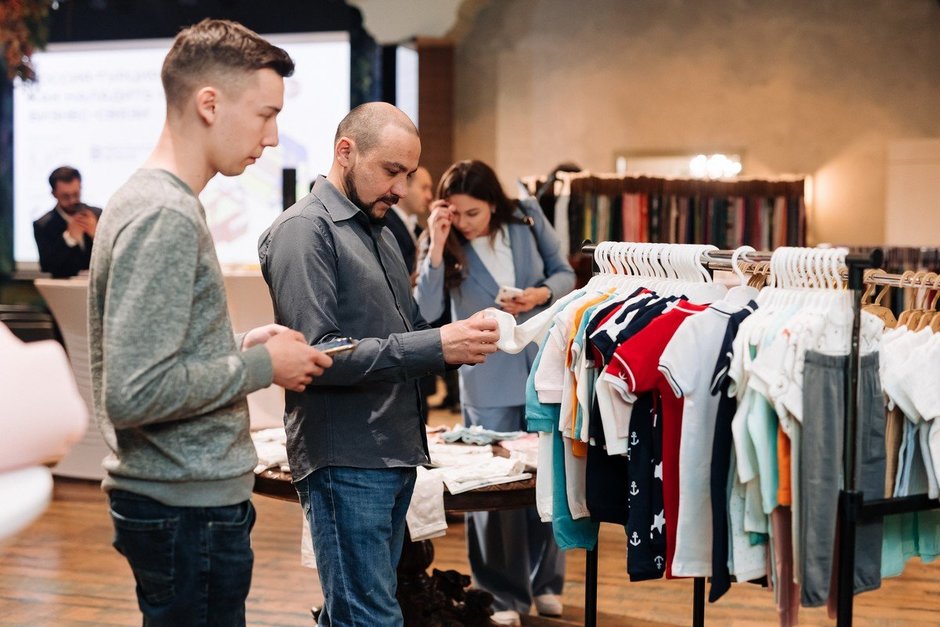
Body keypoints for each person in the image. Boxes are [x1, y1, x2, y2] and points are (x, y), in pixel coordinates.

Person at [87, 19, 333, 625]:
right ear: (209, 104)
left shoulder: (153, 200)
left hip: (182, 499)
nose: (272, 138)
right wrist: (262, 365)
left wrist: (242, 343)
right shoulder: (164, 214)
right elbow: (135, 391)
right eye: (265, 115)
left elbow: (159, 354)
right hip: (184, 505)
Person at [258, 102, 501, 626]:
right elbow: (317, 354)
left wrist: (464, 335)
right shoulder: (304, 231)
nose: (401, 189)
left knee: (356, 612)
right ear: (345, 151)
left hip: (393, 451)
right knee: (369, 617)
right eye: (392, 171)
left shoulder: (383, 232)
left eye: (408, 174)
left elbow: (408, 332)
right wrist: (437, 345)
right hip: (345, 456)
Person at [414, 159, 576, 626]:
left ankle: (546, 582)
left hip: (542, 370)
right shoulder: (442, 241)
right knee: (491, 490)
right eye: (457, 213)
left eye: (473, 213)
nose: (465, 222)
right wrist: (437, 243)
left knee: (547, 479)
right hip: (486, 379)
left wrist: (538, 295)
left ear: (493, 203)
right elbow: (425, 311)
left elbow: (565, 274)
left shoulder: (527, 219)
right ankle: (500, 591)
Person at [33, 166, 102, 277]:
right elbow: (47, 266)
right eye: (65, 196)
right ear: (54, 194)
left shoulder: (98, 215)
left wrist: (97, 235)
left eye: (76, 194)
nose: (72, 200)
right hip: (63, 284)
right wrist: (69, 239)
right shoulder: (43, 225)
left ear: (80, 188)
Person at [385, 164, 432, 277]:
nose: (429, 196)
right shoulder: (385, 224)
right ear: (404, 185)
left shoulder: (419, 231)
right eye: (424, 188)